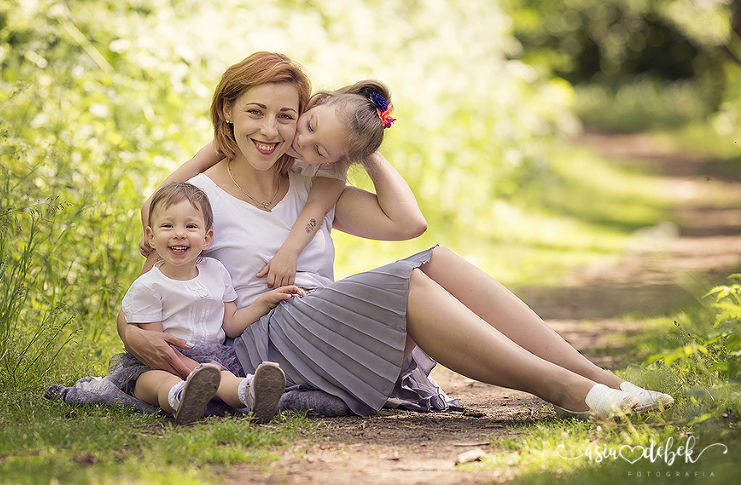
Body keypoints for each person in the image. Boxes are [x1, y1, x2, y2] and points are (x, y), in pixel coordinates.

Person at [119, 51, 674, 420]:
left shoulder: (312, 182)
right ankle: (568, 392)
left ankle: (604, 379)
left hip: (320, 323)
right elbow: (152, 286)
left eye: (287, 116)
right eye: (255, 113)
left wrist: (360, 144)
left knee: (439, 261)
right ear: (228, 113)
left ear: (304, 117)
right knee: (407, 284)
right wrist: (131, 332)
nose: (270, 130)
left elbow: (406, 223)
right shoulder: (196, 200)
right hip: (261, 336)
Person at [138, 78, 391, 289]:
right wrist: (152, 214)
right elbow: (194, 165)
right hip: (271, 320)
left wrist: (361, 143)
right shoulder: (246, 139)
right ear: (316, 103)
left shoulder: (326, 167)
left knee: (427, 264)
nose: (302, 141)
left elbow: (410, 224)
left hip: (311, 301)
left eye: (319, 149)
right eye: (309, 125)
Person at [122, 181, 306, 424]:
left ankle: (251, 394)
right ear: (151, 237)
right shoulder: (148, 286)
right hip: (160, 363)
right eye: (167, 226)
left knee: (223, 377)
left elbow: (230, 324)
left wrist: (266, 301)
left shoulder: (216, 272)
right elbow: (157, 350)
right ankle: (181, 398)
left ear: (207, 238)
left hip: (210, 360)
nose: (179, 233)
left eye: (190, 226)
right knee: (158, 382)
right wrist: (190, 370)